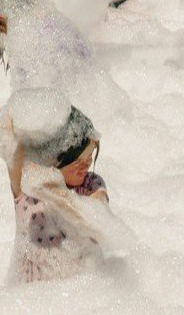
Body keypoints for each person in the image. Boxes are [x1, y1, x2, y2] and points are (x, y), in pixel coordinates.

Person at [7, 106, 114, 283]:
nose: (85, 167)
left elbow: (97, 215)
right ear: (56, 158)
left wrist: (57, 194)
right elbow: (11, 149)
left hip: (82, 289)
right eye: (78, 161)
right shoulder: (27, 191)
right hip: (31, 297)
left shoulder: (91, 185)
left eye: (89, 158)